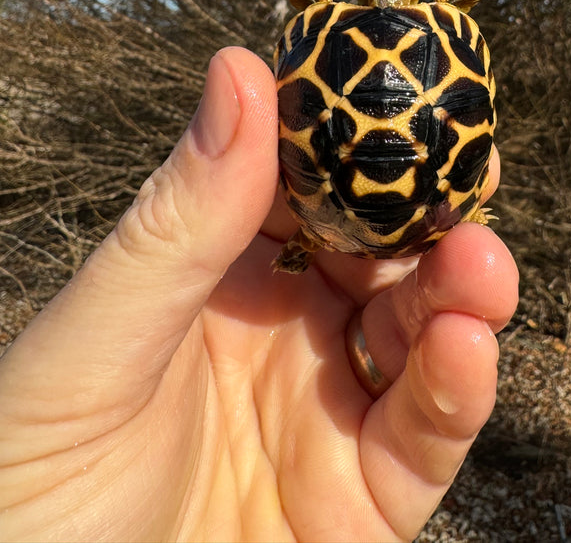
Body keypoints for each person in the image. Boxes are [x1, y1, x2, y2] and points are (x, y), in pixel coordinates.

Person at [0, 46, 518, 542]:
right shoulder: (452, 22)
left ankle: (311, 236)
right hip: (423, 219)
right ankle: (363, 230)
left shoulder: (320, 18)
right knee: (465, 269)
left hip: (328, 220)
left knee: (464, 278)